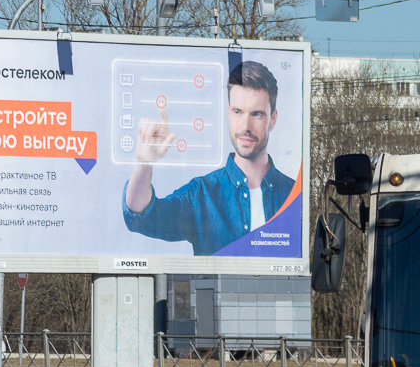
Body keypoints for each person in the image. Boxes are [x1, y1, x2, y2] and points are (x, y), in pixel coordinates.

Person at [123, 60, 296, 255]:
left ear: (272, 119)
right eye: (238, 112)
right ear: (228, 112)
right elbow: (143, 217)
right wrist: (144, 164)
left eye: (257, 114)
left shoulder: (293, 195)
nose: (245, 126)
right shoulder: (202, 195)